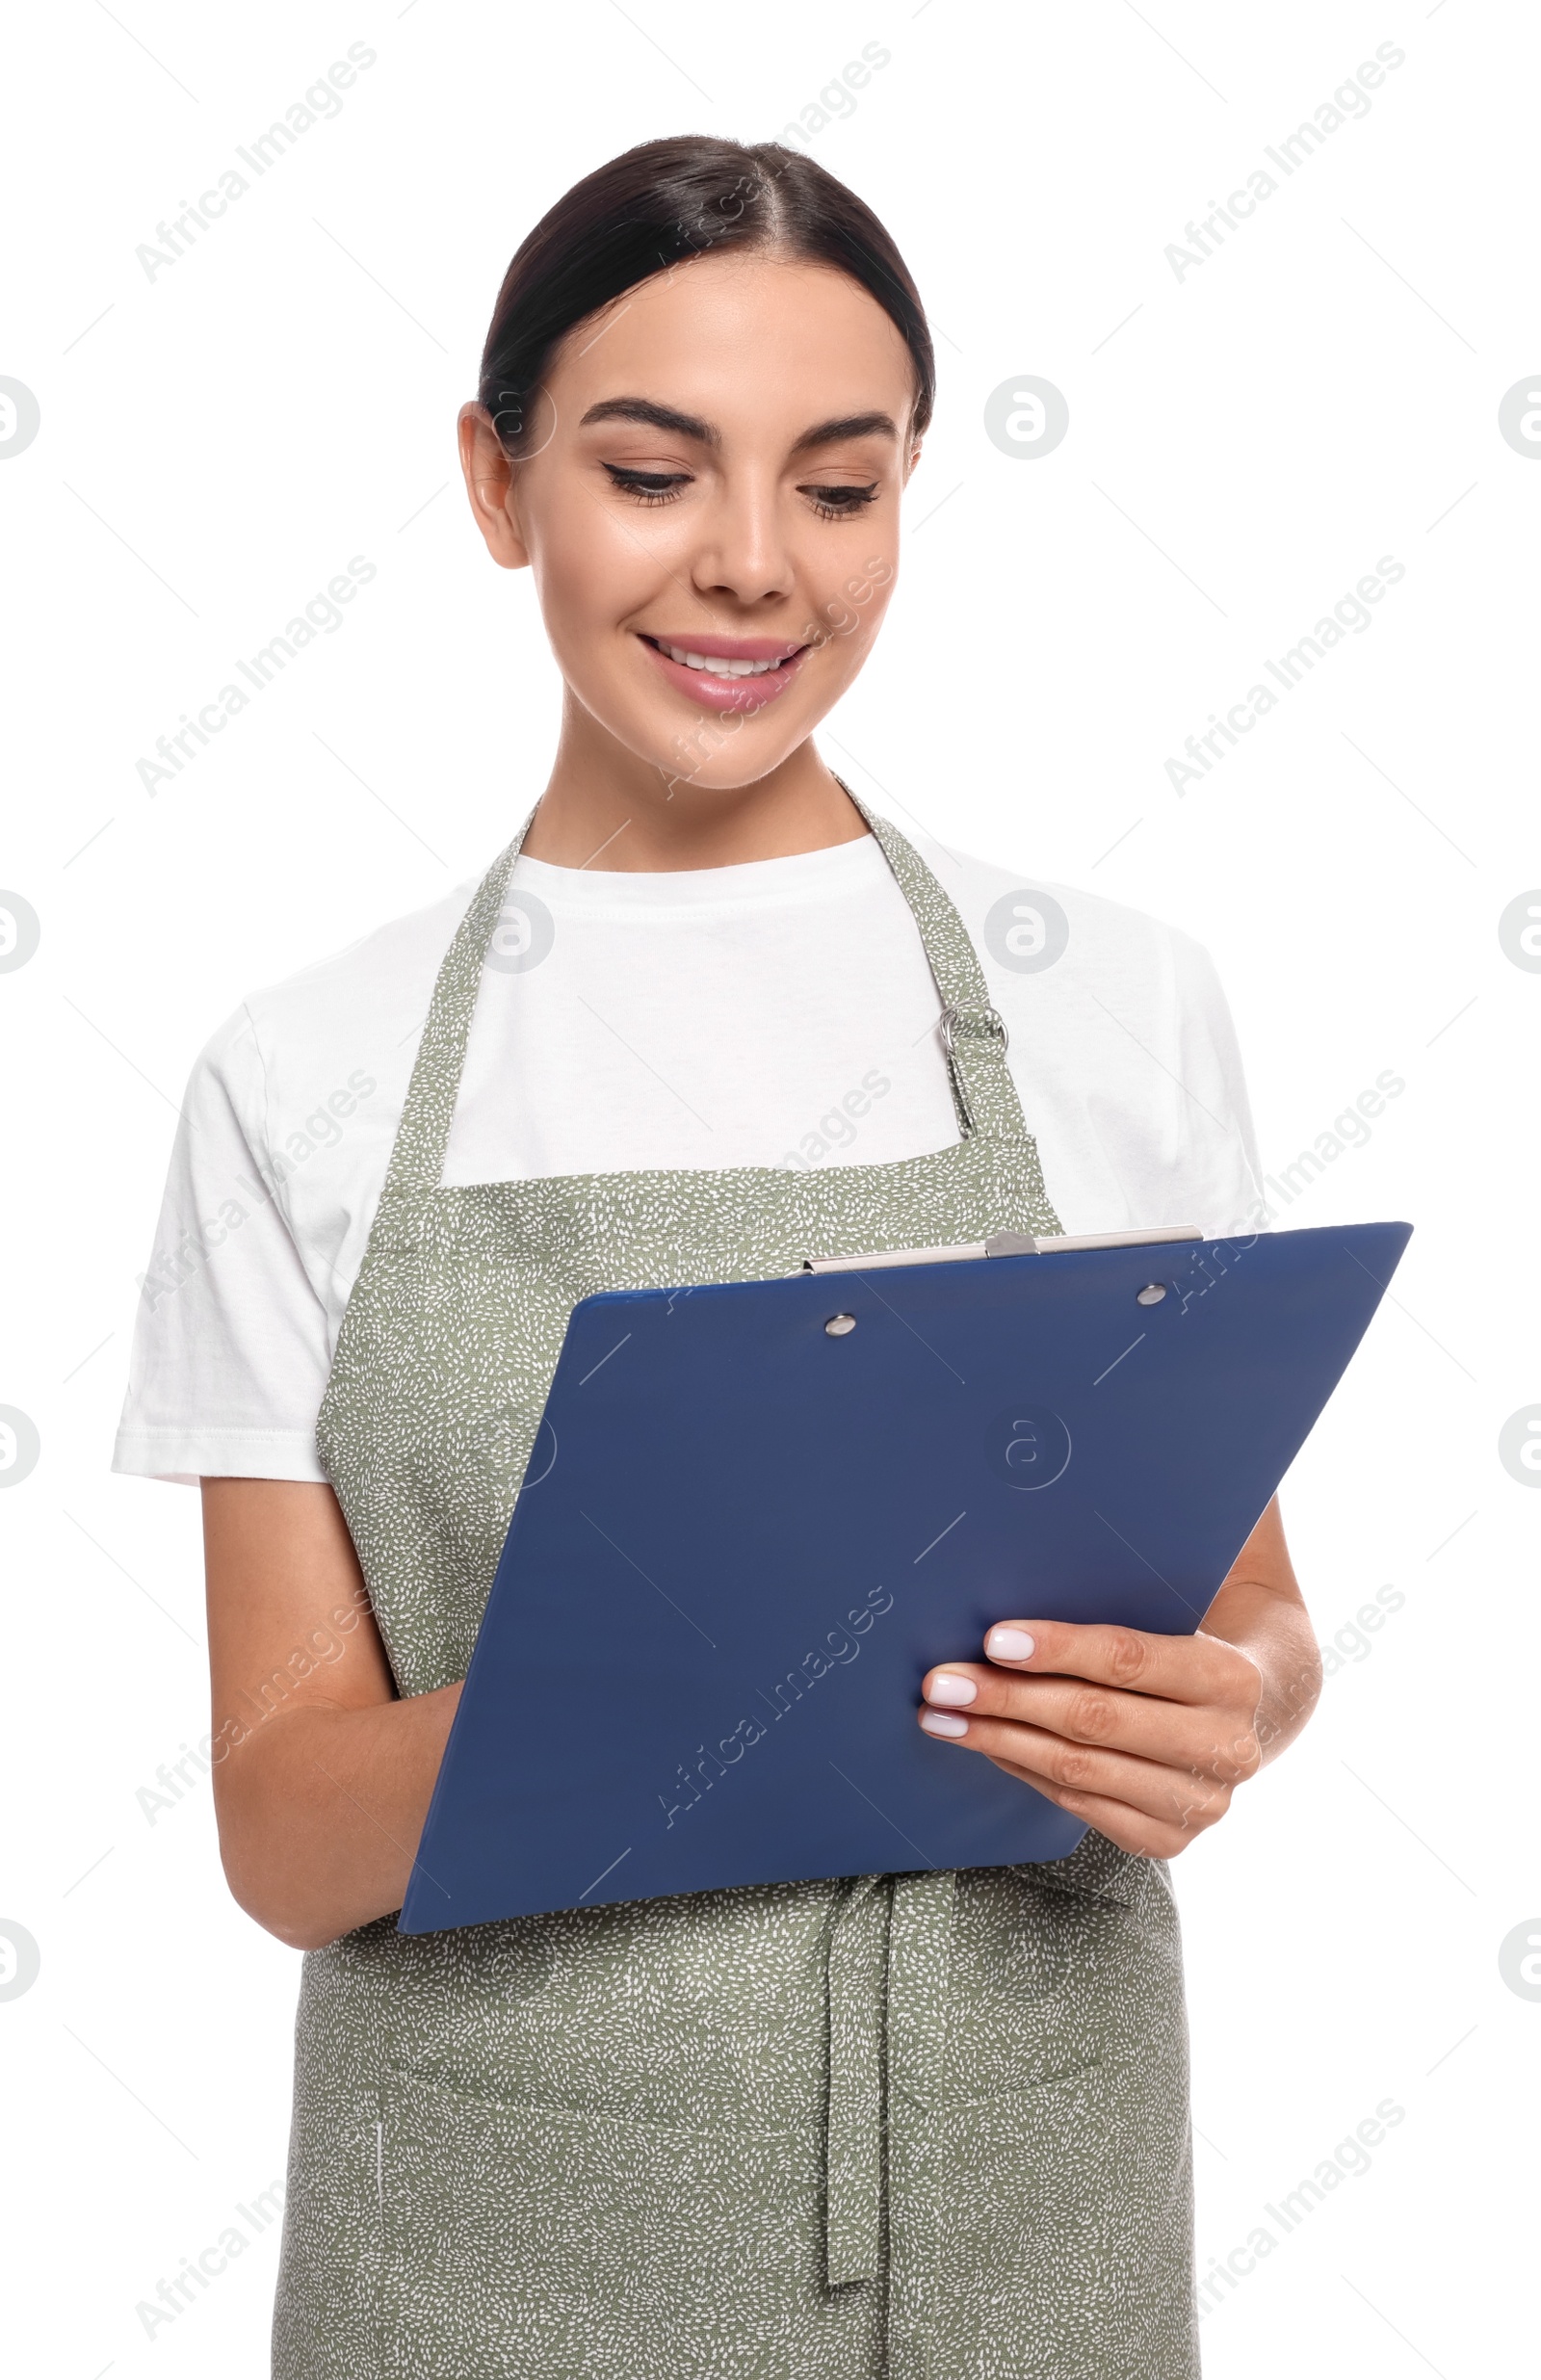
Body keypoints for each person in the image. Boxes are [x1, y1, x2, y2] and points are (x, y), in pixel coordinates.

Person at [116, 136, 1320, 2380]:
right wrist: (696, 1667)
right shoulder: (302, 1076)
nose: (750, 569)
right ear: (498, 485)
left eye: (839, 490)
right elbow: (286, 1833)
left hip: (1027, 2247)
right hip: (478, 2268)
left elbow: (1246, 1615)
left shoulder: (1113, 1002)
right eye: (653, 472)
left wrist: (1226, 1706)